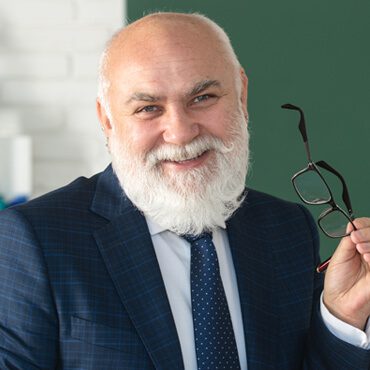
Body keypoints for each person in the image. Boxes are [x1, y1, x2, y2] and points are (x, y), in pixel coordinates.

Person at [0, 12, 369, 370]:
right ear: (107, 120)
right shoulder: (32, 241)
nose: (180, 132)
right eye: (148, 108)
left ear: (241, 96)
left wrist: (342, 316)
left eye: (203, 97)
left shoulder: (286, 228)